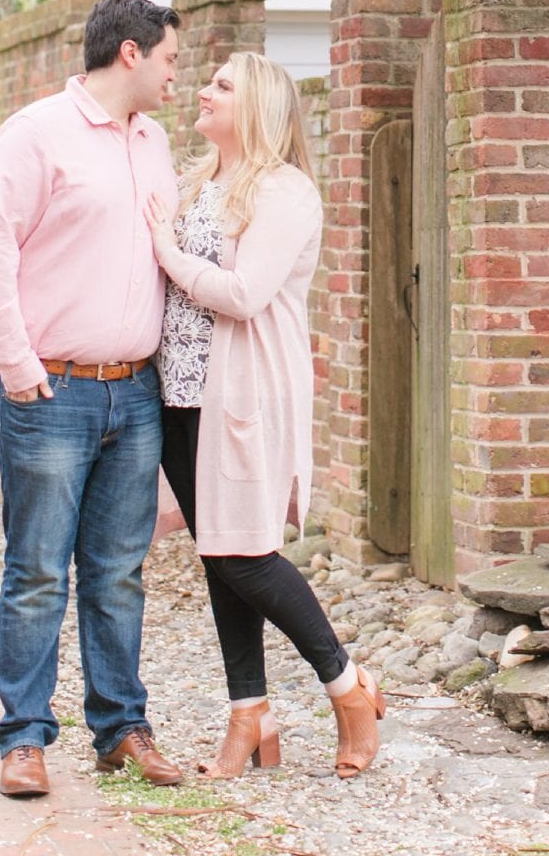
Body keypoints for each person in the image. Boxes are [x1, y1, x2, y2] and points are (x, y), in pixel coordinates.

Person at [0, 0, 185, 798]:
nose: (174, 74)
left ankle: (121, 728)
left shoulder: (154, 142)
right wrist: (18, 366)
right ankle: (23, 740)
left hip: (135, 396)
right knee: (36, 572)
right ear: (129, 53)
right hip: (50, 391)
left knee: (119, 572)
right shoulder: (34, 135)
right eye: (168, 58)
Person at [144, 51, 385, 781]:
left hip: (243, 393)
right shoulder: (194, 184)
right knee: (218, 556)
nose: (204, 91)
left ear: (258, 109)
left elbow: (245, 294)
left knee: (241, 553)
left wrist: (163, 250)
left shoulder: (285, 192)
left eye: (223, 85)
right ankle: (250, 713)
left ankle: (347, 686)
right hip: (181, 395)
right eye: (208, 80)